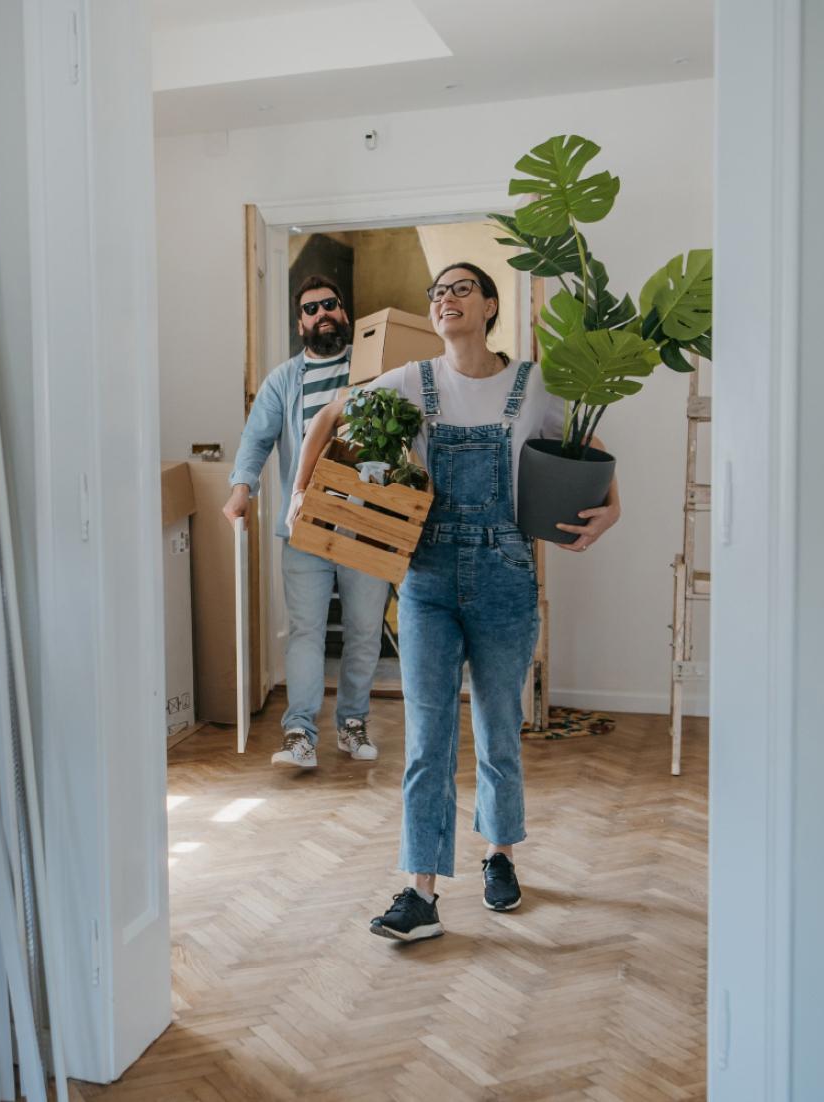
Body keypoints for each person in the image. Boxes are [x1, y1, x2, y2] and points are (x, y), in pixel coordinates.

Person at [291, 263, 621, 940]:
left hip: (506, 575)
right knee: (428, 738)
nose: (446, 298)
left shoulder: (531, 384)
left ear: (490, 305)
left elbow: (589, 448)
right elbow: (328, 415)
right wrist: (299, 492)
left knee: (499, 729)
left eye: (461, 288)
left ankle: (500, 855)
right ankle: (421, 892)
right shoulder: (412, 381)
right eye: (438, 292)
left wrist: (612, 509)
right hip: (428, 578)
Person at [224, 276, 388, 768]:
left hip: (367, 525)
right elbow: (256, 440)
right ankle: (299, 732)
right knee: (306, 632)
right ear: (300, 324)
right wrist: (241, 490)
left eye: (330, 305)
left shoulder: (373, 369)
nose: (322, 314)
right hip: (305, 527)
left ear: (345, 312)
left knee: (364, 631)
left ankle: (352, 723)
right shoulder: (282, 381)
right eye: (311, 309)